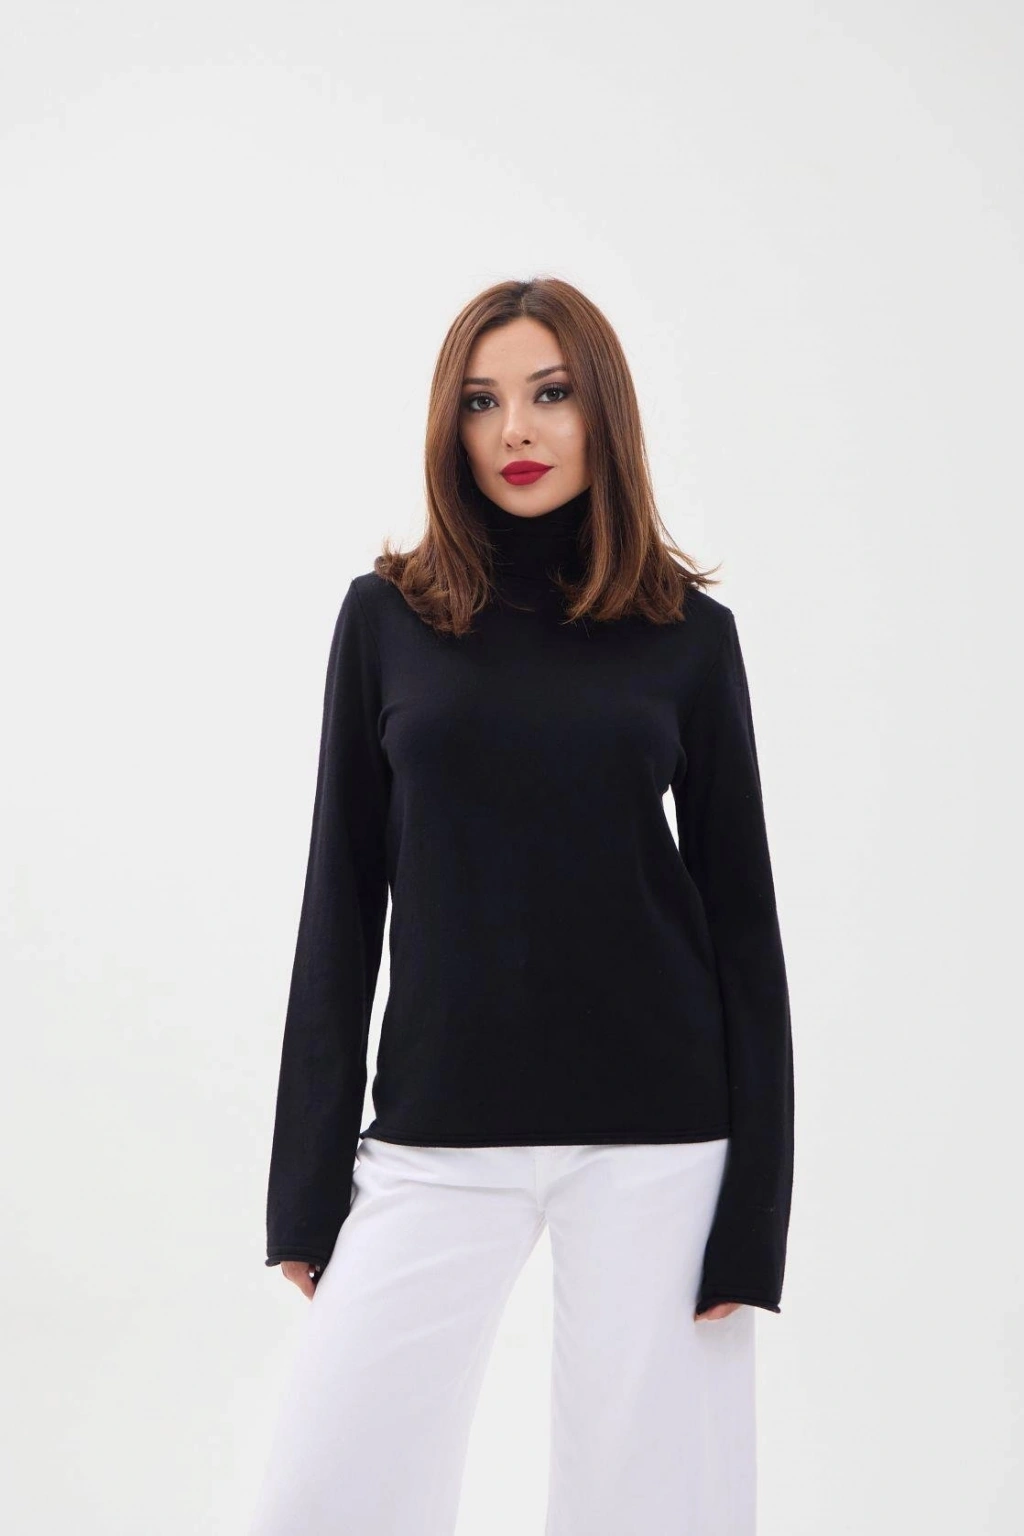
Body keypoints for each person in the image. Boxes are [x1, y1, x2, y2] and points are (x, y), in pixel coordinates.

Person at [248, 277, 794, 1535]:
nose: (516, 431)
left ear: (603, 411)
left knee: (649, 1509)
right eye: (482, 402)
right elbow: (340, 900)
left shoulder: (687, 636)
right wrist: (304, 1184)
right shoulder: (387, 619)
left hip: (661, 1141)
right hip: (436, 1135)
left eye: (549, 393)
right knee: (322, 1495)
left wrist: (754, 1216)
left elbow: (744, 929)